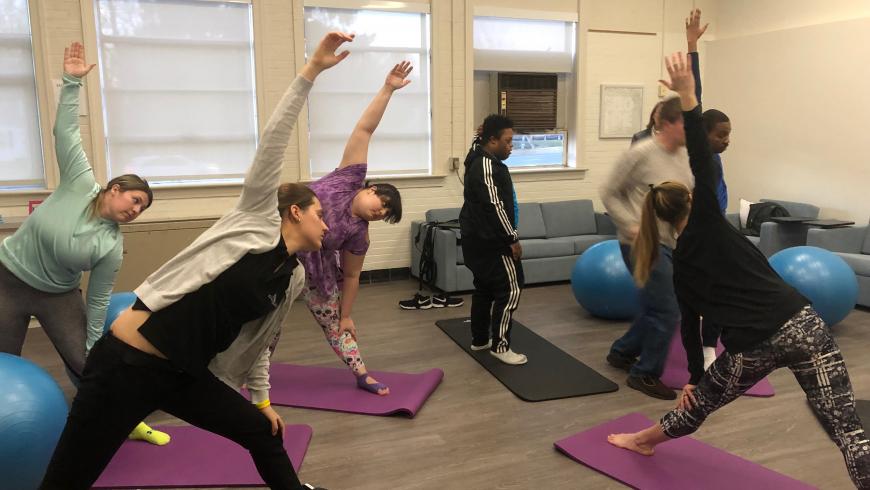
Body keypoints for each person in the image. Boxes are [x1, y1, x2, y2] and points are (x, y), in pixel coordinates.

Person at [38, 32, 354, 490]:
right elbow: (273, 142)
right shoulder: (253, 220)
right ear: (295, 212)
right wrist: (311, 72)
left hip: (182, 375)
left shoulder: (293, 277)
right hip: (124, 367)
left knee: (262, 433)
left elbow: (258, 343)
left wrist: (262, 403)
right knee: (67, 479)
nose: (327, 227)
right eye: (321, 216)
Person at [607, 51, 870, 489]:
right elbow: (701, 159)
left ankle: (643, 440)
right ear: (691, 201)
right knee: (847, 427)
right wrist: (689, 96)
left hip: (755, 345)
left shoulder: (682, 265)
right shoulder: (711, 217)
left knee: (699, 405)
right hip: (804, 324)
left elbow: (690, 327)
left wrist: (694, 378)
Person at [0, 42, 167, 446]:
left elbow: (98, 300)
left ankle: (123, 418)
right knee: (4, 361)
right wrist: (72, 81)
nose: (136, 210)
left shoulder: (110, 245)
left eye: (141, 209)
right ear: (115, 188)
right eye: (135, 200)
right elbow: (65, 132)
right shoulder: (79, 182)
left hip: (57, 297)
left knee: (86, 362)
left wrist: (92, 344)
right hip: (6, 279)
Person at [298, 63, 408, 396]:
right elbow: (364, 130)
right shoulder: (348, 178)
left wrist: (346, 315)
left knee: (337, 324)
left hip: (316, 270)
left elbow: (352, 277)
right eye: (382, 200)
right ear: (369, 188)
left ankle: (361, 374)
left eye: (386, 212)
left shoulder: (359, 232)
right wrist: (387, 88)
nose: (380, 210)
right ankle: (249, 378)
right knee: (265, 323)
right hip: (279, 252)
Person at [600, 93, 694, 399]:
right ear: (667, 123)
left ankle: (622, 352)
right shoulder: (640, 153)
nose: (690, 129)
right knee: (669, 309)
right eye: (684, 123)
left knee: (656, 305)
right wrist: (631, 225)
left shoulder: (684, 155)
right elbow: (609, 192)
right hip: (641, 243)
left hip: (671, 242)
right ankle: (645, 373)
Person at [459, 114, 526, 365]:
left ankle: (480, 340)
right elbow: (494, 205)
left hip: (478, 239)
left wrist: (477, 138)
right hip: (491, 241)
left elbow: (474, 147)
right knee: (511, 288)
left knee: (484, 288)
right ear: (492, 140)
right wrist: (512, 238)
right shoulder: (486, 165)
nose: (511, 146)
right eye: (507, 141)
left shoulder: (477, 155)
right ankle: (500, 346)